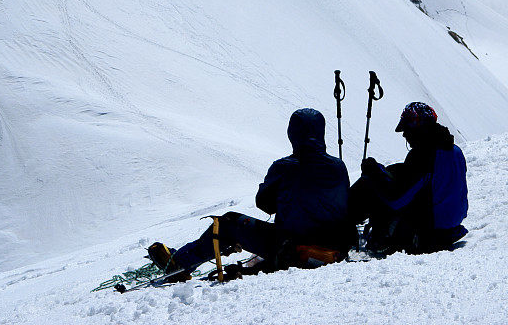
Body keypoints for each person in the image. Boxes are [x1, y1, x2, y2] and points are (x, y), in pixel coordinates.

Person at [149, 108, 355, 277]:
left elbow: (264, 204)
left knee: (228, 222)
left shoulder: (284, 167)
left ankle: (180, 264)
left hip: (289, 247)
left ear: (292, 134)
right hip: (331, 246)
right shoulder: (339, 167)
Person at [349, 101, 468, 255]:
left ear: (417, 129)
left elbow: (397, 200)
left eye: (407, 130)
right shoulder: (454, 150)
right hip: (451, 222)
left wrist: (374, 174)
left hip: (429, 231)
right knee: (391, 173)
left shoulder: (423, 155)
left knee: (371, 184)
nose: (404, 135)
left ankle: (345, 226)